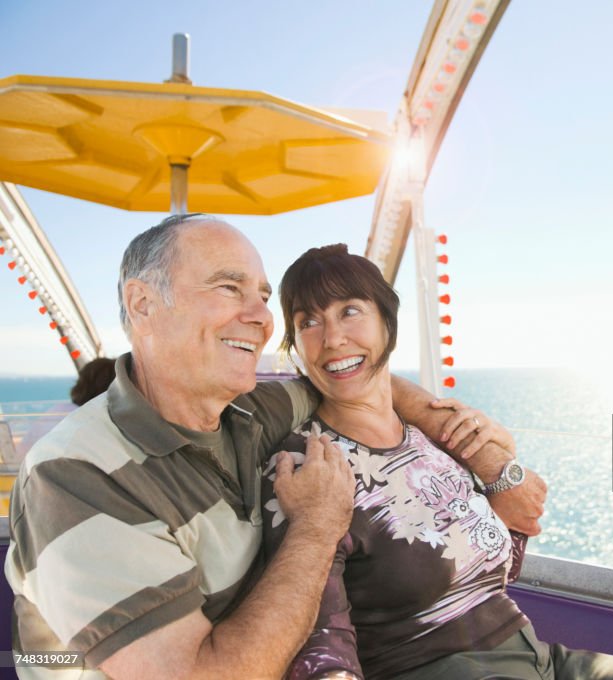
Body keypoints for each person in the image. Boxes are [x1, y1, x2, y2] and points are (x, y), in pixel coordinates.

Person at [3, 214, 543, 680]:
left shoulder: (247, 413)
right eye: (228, 288)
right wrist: (316, 525)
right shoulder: (75, 474)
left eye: (262, 297)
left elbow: (357, 375)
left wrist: (482, 453)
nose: (262, 318)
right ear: (142, 304)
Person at [264, 244, 613, 680]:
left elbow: (498, 567)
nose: (333, 338)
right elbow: (319, 646)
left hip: (541, 657)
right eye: (309, 321)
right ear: (296, 345)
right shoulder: (309, 468)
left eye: (350, 311)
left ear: (387, 323)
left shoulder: (430, 440)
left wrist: (503, 475)